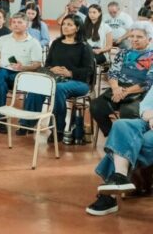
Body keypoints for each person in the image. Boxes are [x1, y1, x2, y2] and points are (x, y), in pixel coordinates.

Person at [19, 14, 95, 140]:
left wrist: (70, 73)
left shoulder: (84, 46)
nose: (65, 27)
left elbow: (89, 71)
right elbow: (48, 64)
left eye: (69, 25)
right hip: (55, 78)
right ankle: (27, 124)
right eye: (64, 24)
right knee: (36, 87)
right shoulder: (56, 43)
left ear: (77, 28)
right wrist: (51, 69)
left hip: (78, 82)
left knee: (58, 89)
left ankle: (57, 129)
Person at [85, 88, 153, 216]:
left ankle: (109, 196)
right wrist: (150, 116)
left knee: (139, 143)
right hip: (148, 121)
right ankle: (120, 176)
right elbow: (144, 108)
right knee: (121, 126)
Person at [90, 24, 153, 138]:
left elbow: (148, 82)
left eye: (139, 37)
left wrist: (126, 91)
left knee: (128, 112)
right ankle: (112, 136)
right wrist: (115, 89)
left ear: (149, 39)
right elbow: (113, 73)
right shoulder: (123, 52)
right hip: (118, 88)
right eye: (132, 36)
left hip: (140, 91)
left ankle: (130, 141)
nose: (134, 39)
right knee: (95, 106)